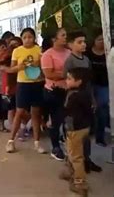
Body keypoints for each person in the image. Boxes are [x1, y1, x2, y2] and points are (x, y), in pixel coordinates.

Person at [64, 31, 102, 173]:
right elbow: (66, 81)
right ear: (70, 45)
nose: (83, 44)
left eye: (84, 41)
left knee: (86, 132)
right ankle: (74, 164)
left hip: (86, 99)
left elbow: (89, 82)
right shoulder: (70, 61)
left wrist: (92, 98)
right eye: (79, 42)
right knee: (74, 135)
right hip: (75, 103)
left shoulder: (86, 60)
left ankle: (87, 159)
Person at [5, 28, 46, 154]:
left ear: (34, 38)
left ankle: (37, 142)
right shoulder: (17, 51)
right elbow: (11, 69)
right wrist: (20, 67)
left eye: (30, 37)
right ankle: (11, 141)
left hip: (37, 84)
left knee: (36, 112)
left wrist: (37, 65)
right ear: (21, 39)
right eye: (25, 37)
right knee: (19, 111)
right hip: (23, 84)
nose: (28, 39)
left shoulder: (39, 50)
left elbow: (44, 66)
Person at [59, 68, 93, 196]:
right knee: (71, 151)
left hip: (75, 129)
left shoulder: (74, 96)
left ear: (78, 82)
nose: (66, 81)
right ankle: (70, 172)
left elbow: (66, 111)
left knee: (76, 156)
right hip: (83, 127)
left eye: (69, 79)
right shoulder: (84, 93)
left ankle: (80, 183)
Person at [41, 28, 71, 161]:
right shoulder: (48, 55)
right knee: (56, 120)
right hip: (54, 92)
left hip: (69, 91)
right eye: (62, 35)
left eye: (66, 35)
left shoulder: (69, 53)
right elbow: (49, 74)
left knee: (68, 120)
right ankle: (55, 147)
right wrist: (66, 75)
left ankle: (68, 144)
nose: (65, 37)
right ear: (54, 39)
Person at [86, 30, 110, 147]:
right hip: (89, 84)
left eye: (103, 39)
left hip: (104, 85)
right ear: (94, 41)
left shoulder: (109, 52)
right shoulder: (87, 54)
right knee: (88, 109)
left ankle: (100, 136)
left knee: (102, 108)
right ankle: (90, 130)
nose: (101, 42)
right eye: (99, 39)